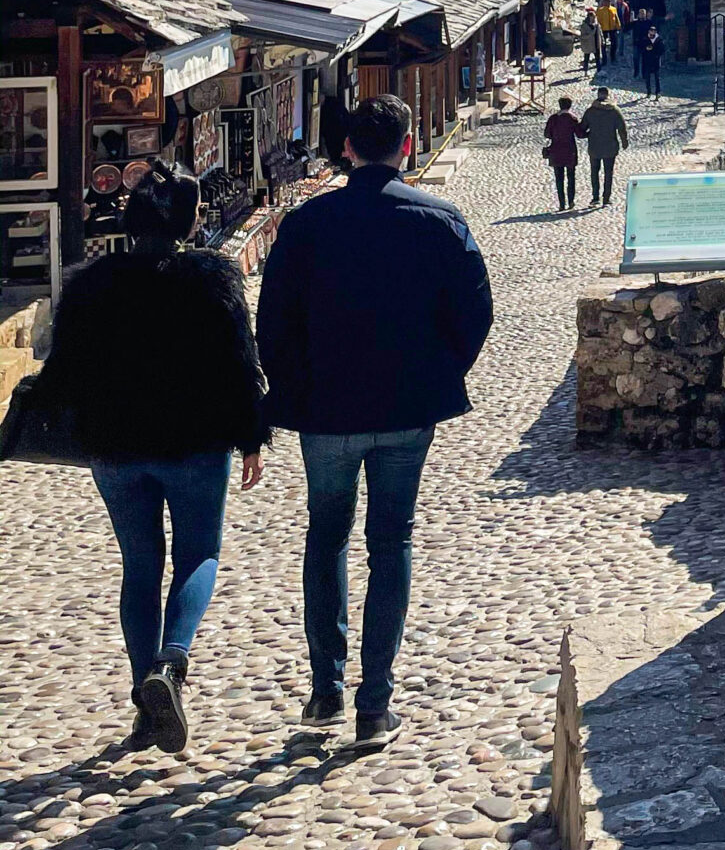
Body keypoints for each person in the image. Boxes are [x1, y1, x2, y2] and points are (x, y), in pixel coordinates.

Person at [257, 93, 492, 748]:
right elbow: (475, 312)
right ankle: (375, 704)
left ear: (349, 149)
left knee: (326, 535)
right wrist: (441, 372)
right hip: (408, 408)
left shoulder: (305, 225)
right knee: (391, 542)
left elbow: (272, 322)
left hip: (327, 412)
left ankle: (326, 691)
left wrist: (293, 387)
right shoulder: (441, 220)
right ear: (408, 146)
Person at [29, 164, 267, 755]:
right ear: (190, 220)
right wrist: (252, 436)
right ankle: (172, 665)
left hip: (116, 447)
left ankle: (146, 703)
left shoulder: (91, 284)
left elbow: (63, 368)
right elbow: (240, 363)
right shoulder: (210, 278)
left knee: (140, 566)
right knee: (199, 554)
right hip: (195, 445)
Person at [579, 87, 629, 209]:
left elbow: (582, 129)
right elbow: (622, 128)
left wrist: (587, 134)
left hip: (594, 146)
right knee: (608, 172)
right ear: (607, 95)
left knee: (594, 172)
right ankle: (606, 198)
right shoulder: (614, 110)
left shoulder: (590, 111)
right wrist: (624, 142)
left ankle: (595, 197)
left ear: (598, 95)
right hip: (610, 146)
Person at [543, 96, 585, 209]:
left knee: (559, 178)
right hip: (569, 151)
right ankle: (571, 201)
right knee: (571, 177)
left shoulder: (553, 118)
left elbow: (547, 134)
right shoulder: (572, 118)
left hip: (556, 151)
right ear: (570, 106)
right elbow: (580, 134)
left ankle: (561, 203)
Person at [638, 17, 664, 99]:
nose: (652, 33)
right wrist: (645, 49)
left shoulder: (659, 40)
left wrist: (657, 54)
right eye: (651, 31)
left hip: (655, 60)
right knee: (647, 78)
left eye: (653, 31)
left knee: (657, 77)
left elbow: (662, 49)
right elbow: (641, 47)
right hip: (647, 60)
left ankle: (657, 92)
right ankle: (648, 92)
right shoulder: (645, 38)